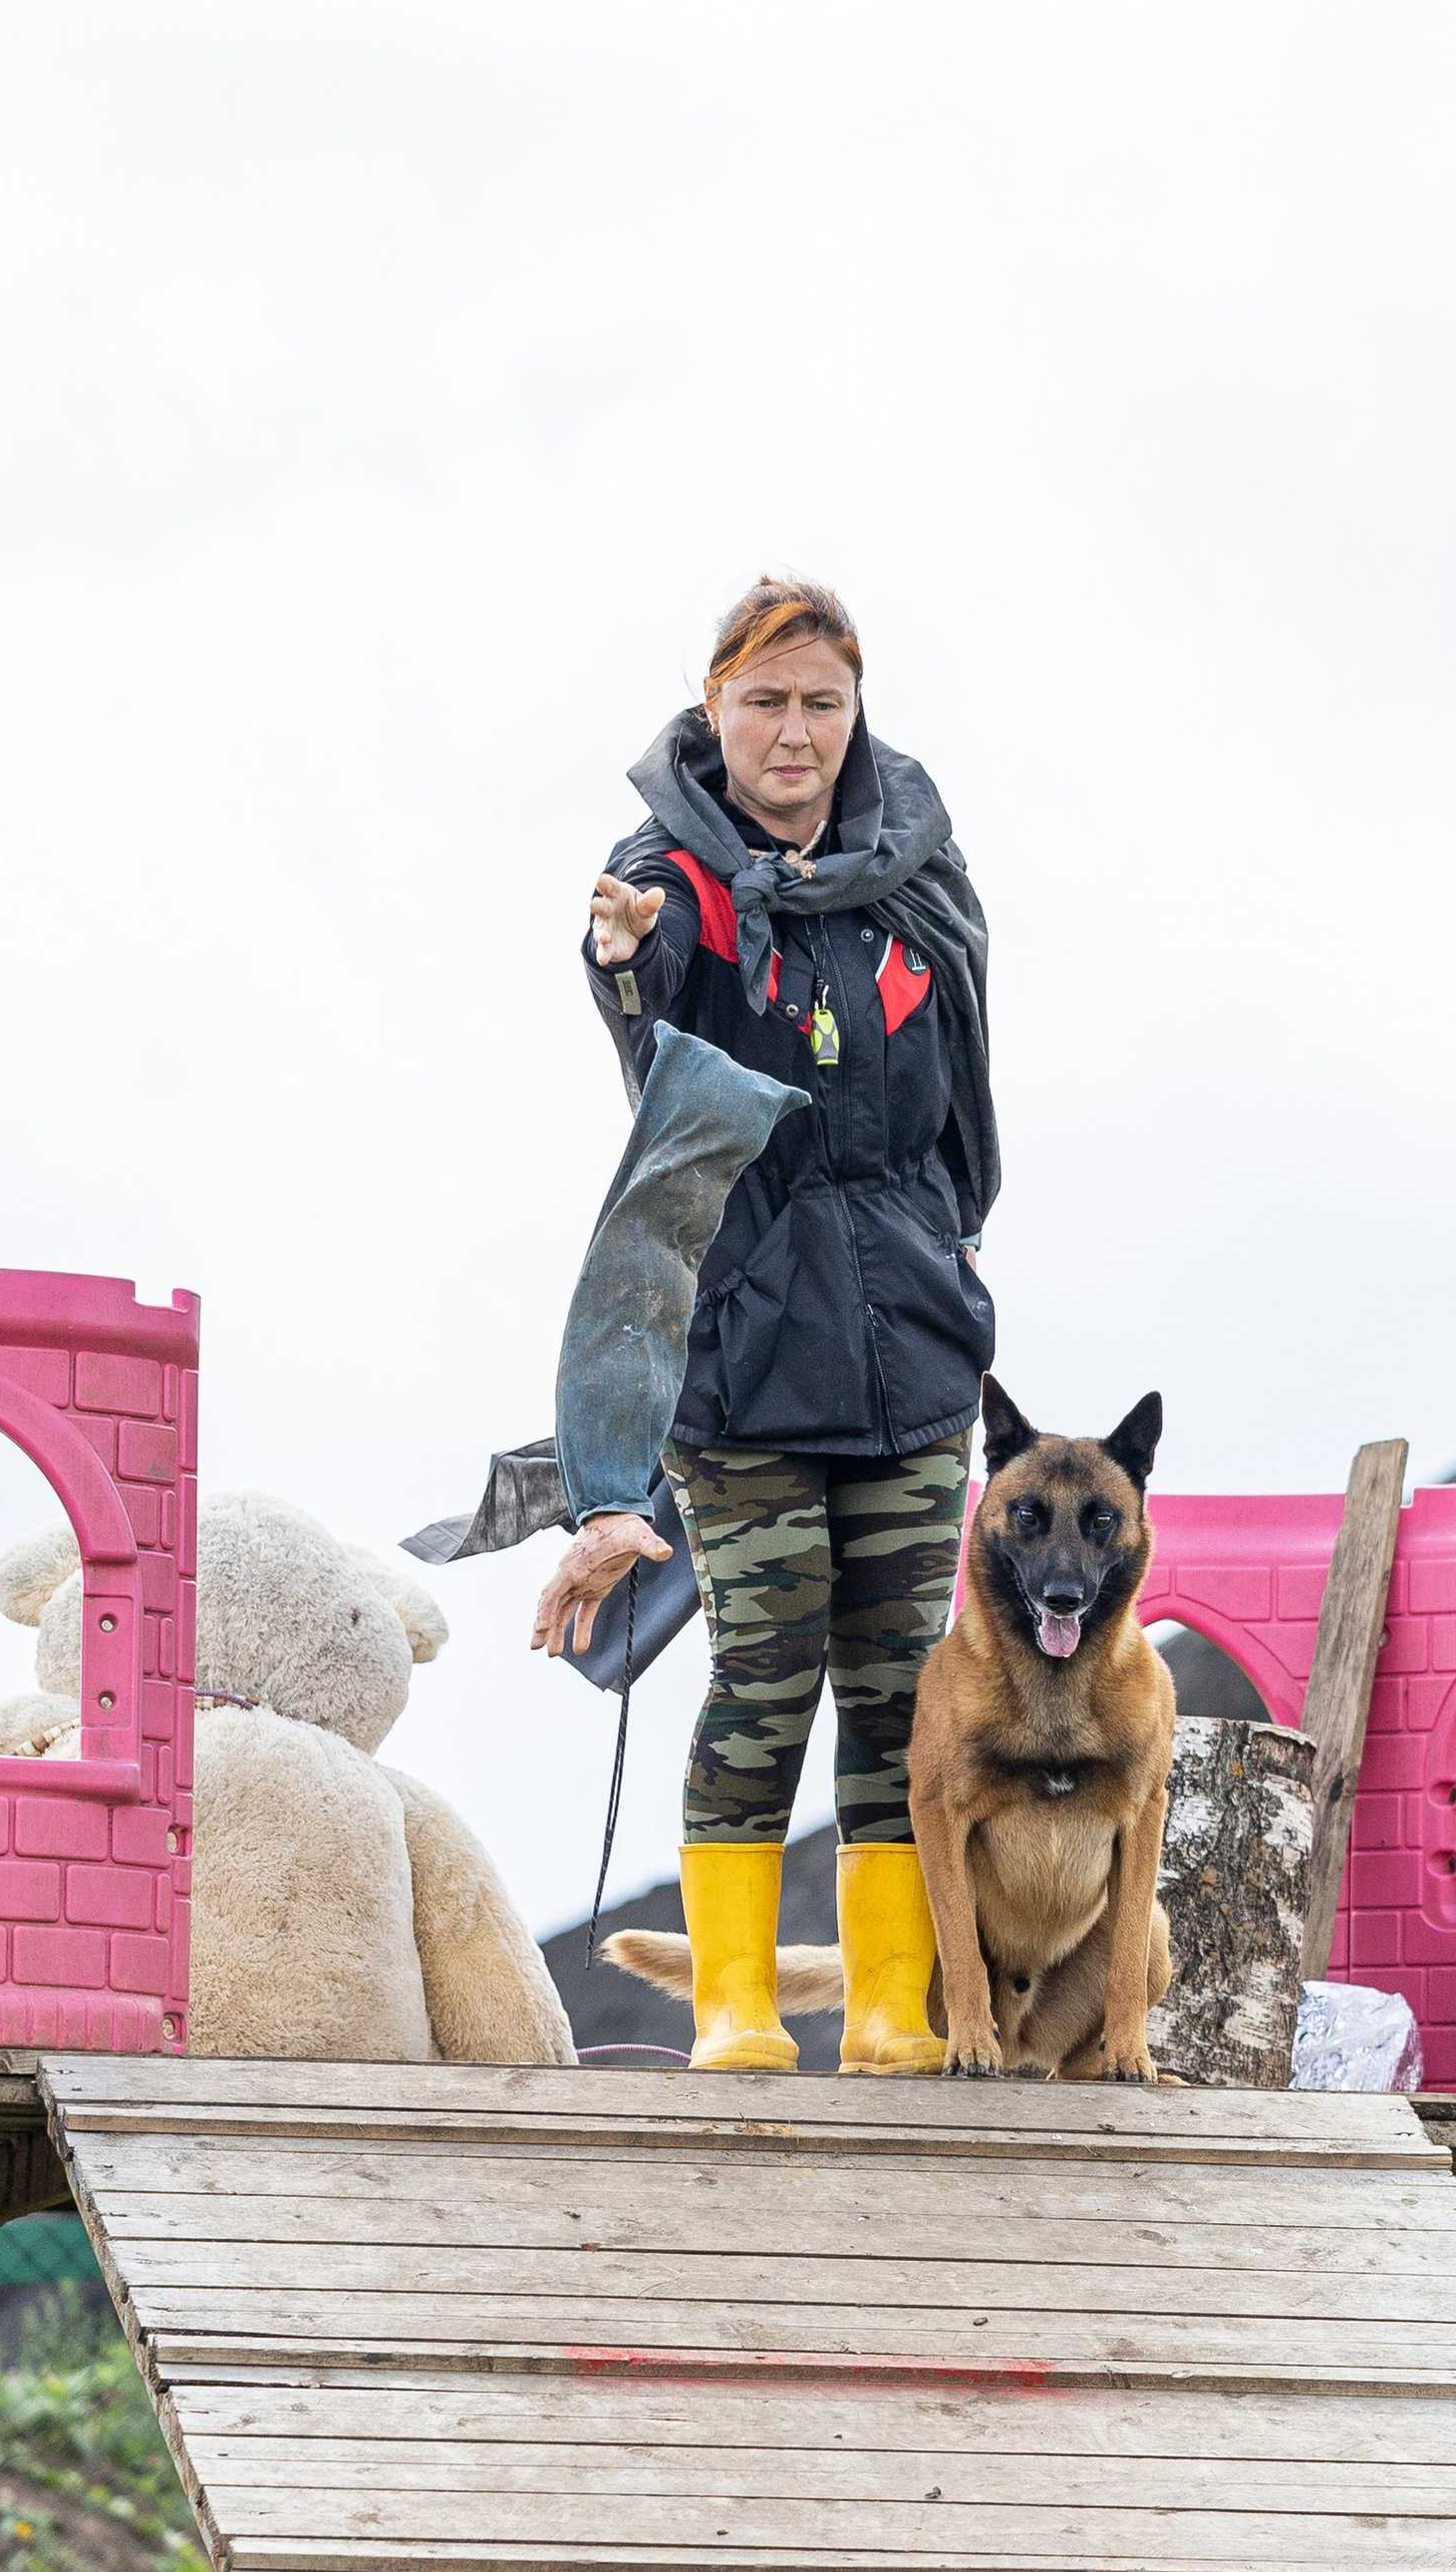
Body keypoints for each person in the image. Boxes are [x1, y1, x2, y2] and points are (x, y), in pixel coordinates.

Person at [531, 576, 999, 2075]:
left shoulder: (915, 867)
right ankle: (734, 2004)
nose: (793, 732)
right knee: (766, 1664)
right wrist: (625, 960)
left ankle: (883, 2006)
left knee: (903, 1678)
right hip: (738, 1353)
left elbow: (967, 1104)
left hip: (915, 1352)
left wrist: (949, 1255)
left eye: (821, 702)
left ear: (852, 713)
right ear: (714, 706)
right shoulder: (665, 872)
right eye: (764, 701)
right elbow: (649, 994)